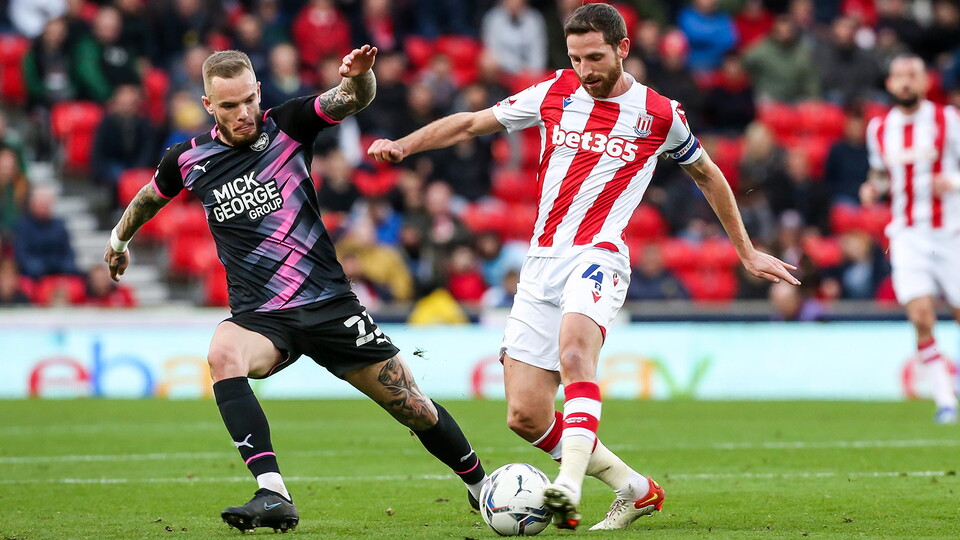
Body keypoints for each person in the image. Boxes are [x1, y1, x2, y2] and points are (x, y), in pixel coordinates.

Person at [369, 3, 799, 531]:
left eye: (595, 57)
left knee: (576, 356)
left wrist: (746, 250)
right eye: (575, 58)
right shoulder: (554, 92)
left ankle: (566, 488)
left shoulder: (659, 114)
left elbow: (709, 176)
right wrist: (404, 145)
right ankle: (634, 488)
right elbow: (471, 123)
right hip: (541, 262)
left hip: (599, 254)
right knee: (525, 416)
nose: (585, 69)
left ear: (622, 49)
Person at [102, 47, 488, 533]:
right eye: (228, 106)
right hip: (261, 318)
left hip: (329, 305)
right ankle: (273, 492)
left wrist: (361, 79)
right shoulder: (189, 159)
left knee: (413, 407)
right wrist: (119, 239)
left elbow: (351, 99)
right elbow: (148, 198)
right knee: (223, 354)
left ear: (259, 91)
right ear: (208, 105)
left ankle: (481, 486)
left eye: (247, 100)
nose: (242, 113)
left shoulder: (288, 124)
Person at [860, 53, 960, 424]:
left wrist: (954, 182)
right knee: (920, 316)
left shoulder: (947, 120)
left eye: (912, 75)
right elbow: (881, 175)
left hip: (951, 231)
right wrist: (873, 188)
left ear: (924, 81)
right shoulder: (879, 129)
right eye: (898, 76)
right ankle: (945, 399)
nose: (905, 82)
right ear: (889, 84)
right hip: (907, 234)